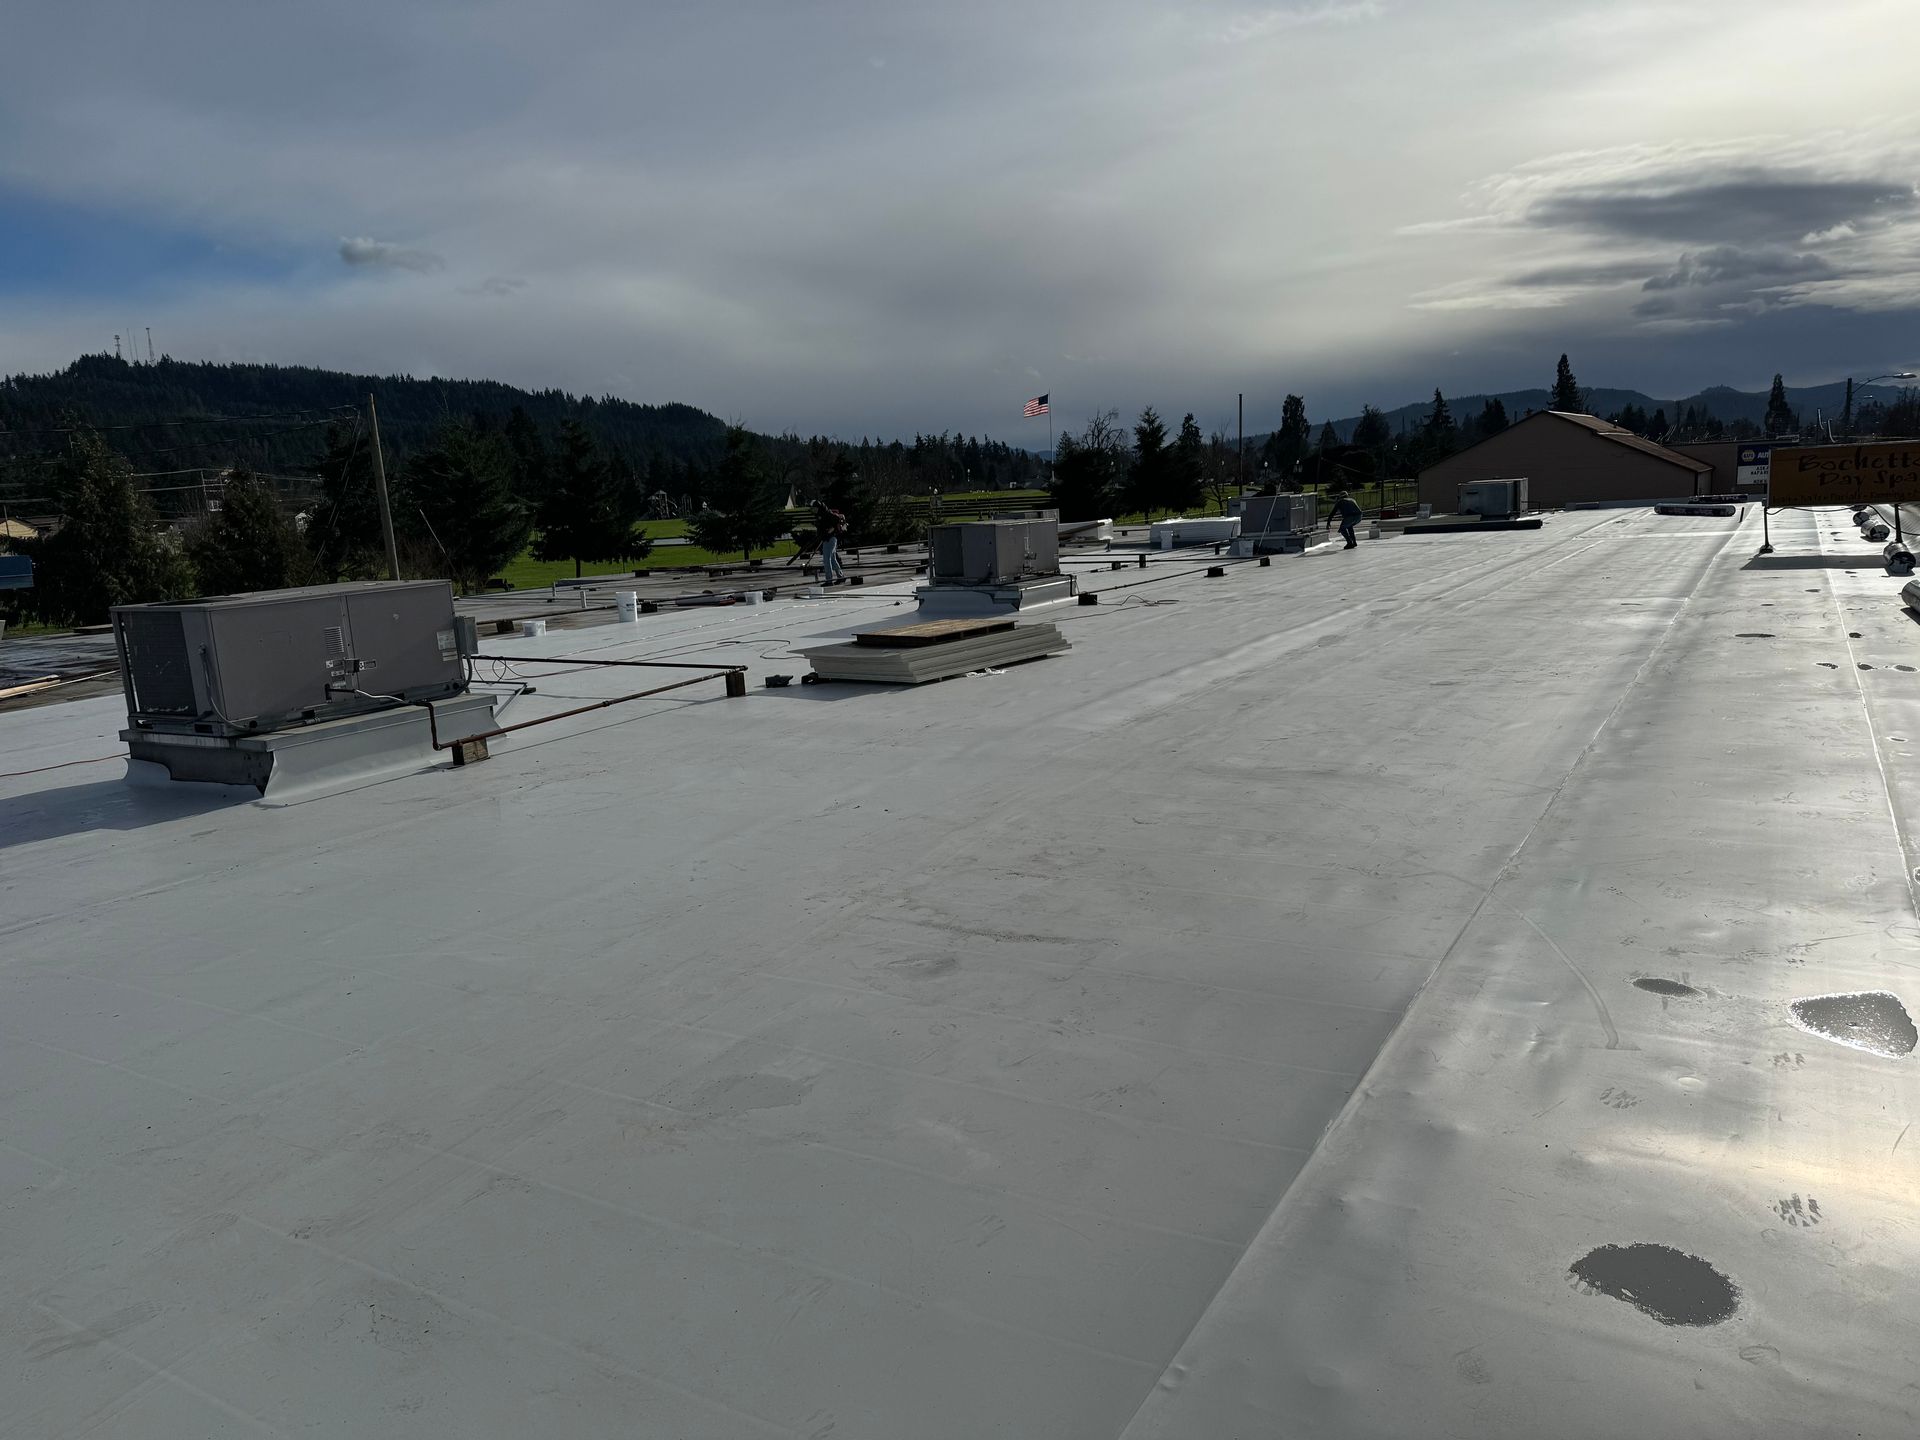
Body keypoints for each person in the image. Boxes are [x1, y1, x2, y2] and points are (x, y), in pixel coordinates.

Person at [812, 498, 848, 584]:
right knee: (832, 559)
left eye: (814, 508)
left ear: (818, 507)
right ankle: (840, 576)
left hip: (830, 539)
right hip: (828, 539)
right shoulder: (822, 514)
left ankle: (829, 580)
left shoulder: (826, 514)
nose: (813, 510)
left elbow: (836, 522)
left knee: (826, 560)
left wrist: (829, 531)